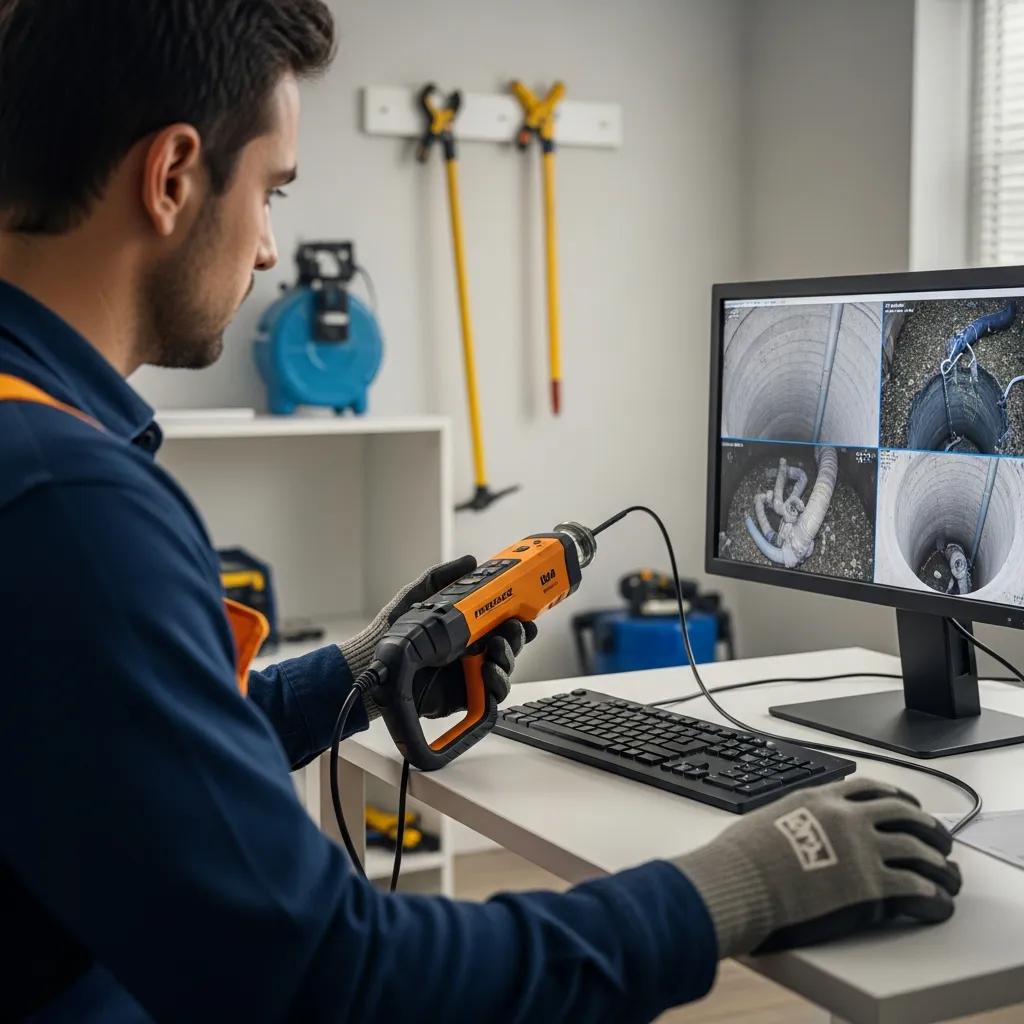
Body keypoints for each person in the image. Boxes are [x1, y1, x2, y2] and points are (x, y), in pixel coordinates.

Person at [0, 3, 962, 1022]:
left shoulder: (40, 458)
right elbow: (337, 978)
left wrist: (355, 668)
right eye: (272, 191)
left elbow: (119, 771)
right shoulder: (69, 508)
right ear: (173, 177)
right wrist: (743, 883)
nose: (270, 250)